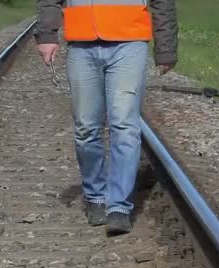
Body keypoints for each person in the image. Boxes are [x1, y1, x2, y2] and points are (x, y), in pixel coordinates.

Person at [35, 0, 178, 235]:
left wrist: (166, 48)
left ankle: (119, 207)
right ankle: (96, 197)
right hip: (81, 44)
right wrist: (46, 34)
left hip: (130, 42)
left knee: (124, 124)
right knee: (85, 127)